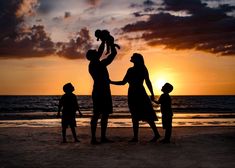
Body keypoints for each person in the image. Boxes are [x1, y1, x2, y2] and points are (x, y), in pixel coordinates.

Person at [110, 53, 160, 142]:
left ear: (137, 59)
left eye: (132, 57)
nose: (131, 58)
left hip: (137, 93)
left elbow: (147, 82)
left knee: (143, 115)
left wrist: (152, 93)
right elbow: (123, 82)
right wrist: (111, 82)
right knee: (139, 115)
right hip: (136, 93)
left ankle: (151, 135)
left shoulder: (139, 69)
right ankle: (138, 137)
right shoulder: (134, 69)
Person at [86, 37, 117, 144]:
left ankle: (101, 137)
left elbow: (104, 53)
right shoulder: (96, 64)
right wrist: (109, 44)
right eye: (95, 53)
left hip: (102, 90)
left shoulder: (96, 63)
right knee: (98, 114)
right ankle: (94, 138)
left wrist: (105, 42)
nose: (98, 53)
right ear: (92, 56)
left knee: (104, 114)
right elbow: (111, 56)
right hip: (101, 91)